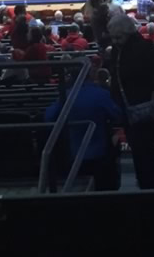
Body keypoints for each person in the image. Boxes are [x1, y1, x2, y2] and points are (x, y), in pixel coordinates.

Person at [109, 9, 154, 190]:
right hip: (130, 112)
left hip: (143, 111)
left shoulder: (143, 48)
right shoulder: (119, 50)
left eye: (118, 38)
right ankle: (149, 185)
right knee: (141, 154)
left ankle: (150, 189)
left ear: (128, 33)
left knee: (144, 153)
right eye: (113, 38)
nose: (115, 42)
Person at [44, 56, 124, 191]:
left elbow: (49, 117)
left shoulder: (66, 96)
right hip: (99, 154)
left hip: (72, 154)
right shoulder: (100, 94)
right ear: (89, 74)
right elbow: (117, 114)